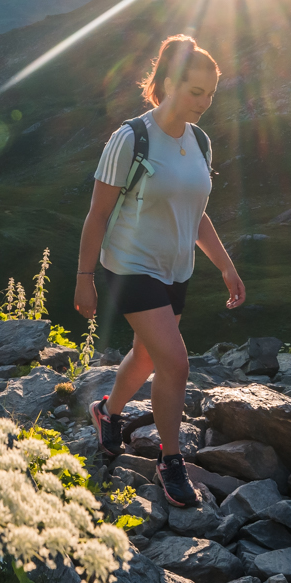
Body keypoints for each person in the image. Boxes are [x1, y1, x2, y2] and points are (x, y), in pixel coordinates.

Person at [72, 35, 245, 508]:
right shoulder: (132, 138)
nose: (205, 102)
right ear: (168, 83)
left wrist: (226, 266)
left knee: (147, 357)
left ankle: (106, 411)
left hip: (176, 270)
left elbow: (197, 214)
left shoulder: (200, 141)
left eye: (211, 93)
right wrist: (84, 277)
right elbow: (97, 215)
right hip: (130, 265)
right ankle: (171, 462)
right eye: (195, 91)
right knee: (176, 362)